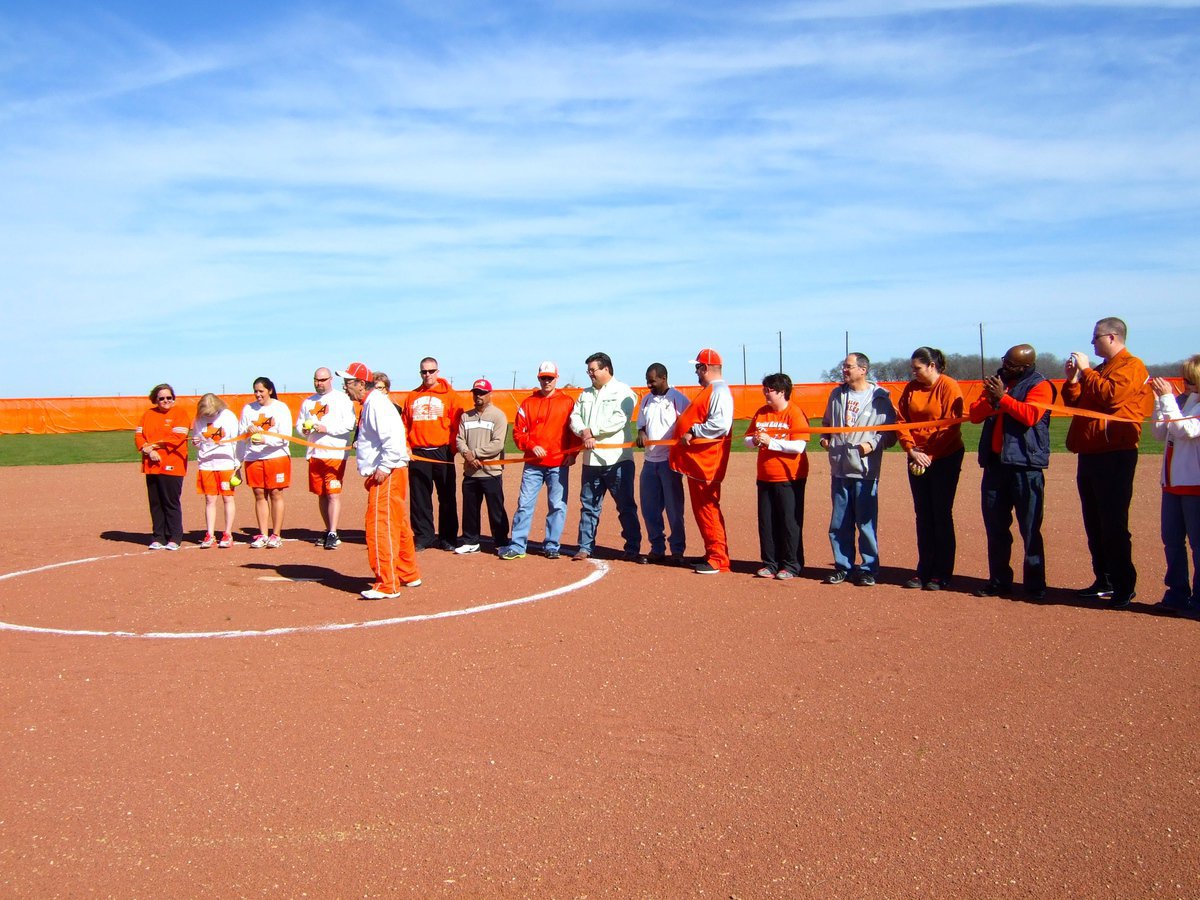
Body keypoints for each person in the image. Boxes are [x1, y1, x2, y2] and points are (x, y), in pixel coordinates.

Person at [1063, 316, 1151, 608]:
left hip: (1115, 455)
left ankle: (1124, 585)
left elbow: (1112, 397)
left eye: (1096, 337)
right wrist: (1074, 379)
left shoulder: (1132, 366)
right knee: (1094, 522)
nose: (1092, 342)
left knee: (1113, 523)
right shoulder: (1100, 370)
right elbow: (1075, 402)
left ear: (1112, 337)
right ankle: (1104, 579)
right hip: (1090, 453)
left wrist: (1086, 371)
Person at [967, 344, 1054, 600]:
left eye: (1012, 364)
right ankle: (998, 580)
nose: (1006, 367)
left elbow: (1030, 416)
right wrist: (994, 398)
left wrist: (1003, 398)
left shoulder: (1040, 385)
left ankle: (1035, 584)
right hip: (996, 466)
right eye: (1005, 361)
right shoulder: (997, 382)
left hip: (1025, 466)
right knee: (995, 528)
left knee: (1029, 528)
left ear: (1025, 366)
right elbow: (974, 415)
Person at [339, 361, 421, 598]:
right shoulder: (371, 404)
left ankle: (387, 583)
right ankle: (408, 572)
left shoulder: (376, 404)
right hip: (391, 472)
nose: (345, 388)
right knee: (398, 523)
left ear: (361, 384)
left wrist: (384, 467)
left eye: (348, 383)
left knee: (380, 525)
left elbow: (393, 440)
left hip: (387, 474)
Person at [819, 353, 896, 587]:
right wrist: (825, 437)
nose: (844, 370)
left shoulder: (880, 398)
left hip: (865, 470)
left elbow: (889, 434)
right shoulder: (837, 394)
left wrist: (870, 445)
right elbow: (826, 424)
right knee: (839, 523)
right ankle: (843, 566)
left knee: (865, 522)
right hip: (840, 468)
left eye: (849, 367)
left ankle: (868, 568)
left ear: (863, 370)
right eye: (843, 366)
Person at [897, 347, 964, 591]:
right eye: (912, 368)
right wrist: (911, 450)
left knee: (941, 514)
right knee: (923, 515)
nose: (913, 372)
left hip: (944, 456)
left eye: (918, 368)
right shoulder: (911, 388)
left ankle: (941, 572)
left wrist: (930, 454)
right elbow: (901, 421)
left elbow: (951, 426)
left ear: (932, 366)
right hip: (917, 456)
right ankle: (924, 569)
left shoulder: (948, 386)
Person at [501, 361, 581, 560]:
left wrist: (572, 454)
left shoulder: (567, 402)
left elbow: (574, 431)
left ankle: (552, 545)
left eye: (550, 378)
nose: (547, 381)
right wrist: (531, 445)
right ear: (539, 378)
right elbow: (518, 433)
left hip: (558, 464)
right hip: (533, 465)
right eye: (543, 378)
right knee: (524, 504)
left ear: (556, 378)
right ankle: (518, 545)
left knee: (557, 505)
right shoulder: (528, 403)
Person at [569, 352, 643, 562]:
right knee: (589, 506)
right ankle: (585, 546)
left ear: (606, 369)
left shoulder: (624, 392)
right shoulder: (585, 394)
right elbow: (575, 416)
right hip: (591, 460)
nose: (589, 374)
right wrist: (583, 431)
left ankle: (632, 547)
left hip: (617, 461)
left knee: (625, 506)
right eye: (588, 371)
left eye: (593, 370)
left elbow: (619, 420)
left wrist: (592, 431)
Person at [669, 349, 734, 574]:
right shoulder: (710, 390)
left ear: (705, 368)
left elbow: (721, 425)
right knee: (702, 510)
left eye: (697, 367)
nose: (696, 371)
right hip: (698, 463)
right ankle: (712, 551)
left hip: (707, 463)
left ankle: (718, 558)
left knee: (707, 509)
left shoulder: (719, 391)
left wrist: (694, 431)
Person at [744, 373, 809, 580]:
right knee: (767, 522)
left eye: (769, 390)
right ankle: (770, 563)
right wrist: (754, 441)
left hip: (789, 477)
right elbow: (747, 439)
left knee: (789, 522)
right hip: (765, 476)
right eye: (764, 389)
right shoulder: (762, 413)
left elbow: (799, 445)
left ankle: (791, 564)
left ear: (782, 392)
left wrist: (771, 442)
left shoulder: (795, 413)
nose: (765, 393)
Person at [1150, 355, 1200, 613]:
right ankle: (1177, 592)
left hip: (1195, 484)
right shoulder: (1183, 401)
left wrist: (1168, 399)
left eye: (1192, 379)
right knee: (1171, 541)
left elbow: (1186, 430)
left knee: (1197, 544)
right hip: (1172, 483)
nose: (1187, 384)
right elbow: (1160, 432)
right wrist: (1160, 401)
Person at [403, 357, 462, 551]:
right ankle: (424, 536)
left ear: (438, 371)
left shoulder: (450, 396)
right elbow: (405, 424)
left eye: (431, 371)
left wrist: (451, 449)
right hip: (419, 453)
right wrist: (407, 446)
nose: (427, 375)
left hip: (442, 452)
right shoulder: (412, 396)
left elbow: (457, 426)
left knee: (446, 496)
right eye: (424, 371)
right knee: (419, 499)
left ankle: (448, 537)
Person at [295, 367, 355, 550]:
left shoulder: (342, 399)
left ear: (330, 380)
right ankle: (328, 528)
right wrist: (303, 430)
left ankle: (333, 532)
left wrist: (326, 428)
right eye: (316, 380)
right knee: (321, 493)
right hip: (315, 454)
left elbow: (349, 425)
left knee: (333, 493)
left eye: (322, 380)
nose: (319, 383)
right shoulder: (308, 402)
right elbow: (299, 424)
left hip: (334, 454)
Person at [635, 363, 689, 564]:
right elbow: (641, 424)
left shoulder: (679, 399)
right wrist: (641, 432)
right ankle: (657, 548)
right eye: (647, 380)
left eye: (652, 380)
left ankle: (677, 551)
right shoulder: (646, 400)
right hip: (650, 462)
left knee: (674, 509)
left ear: (664, 378)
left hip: (669, 462)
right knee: (649, 508)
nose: (649, 384)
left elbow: (690, 424)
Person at [455, 379, 510, 554]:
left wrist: (475, 453)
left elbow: (498, 444)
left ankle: (501, 541)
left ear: (489, 394)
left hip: (491, 471)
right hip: (471, 471)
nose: (478, 396)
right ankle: (471, 540)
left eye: (482, 392)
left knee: (496, 509)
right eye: (476, 392)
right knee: (470, 508)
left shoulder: (498, 416)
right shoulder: (466, 416)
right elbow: (459, 439)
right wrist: (467, 454)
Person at [135, 383, 191, 550]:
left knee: (170, 501)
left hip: (172, 463)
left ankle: (175, 536)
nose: (166, 401)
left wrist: (152, 447)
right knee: (156, 502)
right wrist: (145, 448)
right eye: (162, 398)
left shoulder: (180, 414)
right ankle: (158, 536)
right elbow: (139, 435)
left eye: (169, 397)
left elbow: (177, 437)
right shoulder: (148, 415)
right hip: (151, 464)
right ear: (155, 399)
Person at [239, 376, 292, 549]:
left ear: (269, 390)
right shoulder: (248, 409)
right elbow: (241, 434)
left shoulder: (280, 408)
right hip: (254, 457)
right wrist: (248, 431)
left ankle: (276, 534)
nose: (258, 394)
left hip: (276, 456)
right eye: (255, 391)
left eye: (261, 391)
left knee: (275, 492)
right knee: (259, 493)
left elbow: (285, 436)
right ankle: (263, 533)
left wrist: (265, 440)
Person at [191, 393, 240, 549]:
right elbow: (198, 441)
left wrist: (237, 465)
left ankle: (227, 533)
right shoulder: (199, 418)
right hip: (207, 463)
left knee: (227, 498)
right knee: (210, 499)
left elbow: (237, 441)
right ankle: (210, 534)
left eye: (211, 414)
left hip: (225, 463)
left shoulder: (228, 416)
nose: (208, 416)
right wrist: (196, 442)